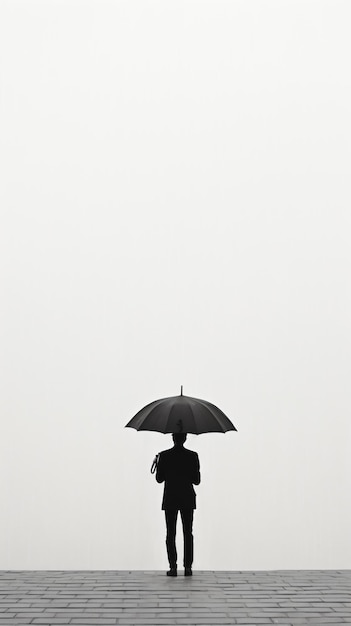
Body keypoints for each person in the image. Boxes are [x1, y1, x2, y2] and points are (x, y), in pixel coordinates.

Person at [155, 433, 201, 577]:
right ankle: (188, 567)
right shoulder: (193, 456)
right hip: (187, 497)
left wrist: (158, 463)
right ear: (185, 438)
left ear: (173, 438)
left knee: (170, 533)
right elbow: (197, 480)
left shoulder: (164, 455)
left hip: (171, 498)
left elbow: (159, 479)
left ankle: (173, 567)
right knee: (188, 533)